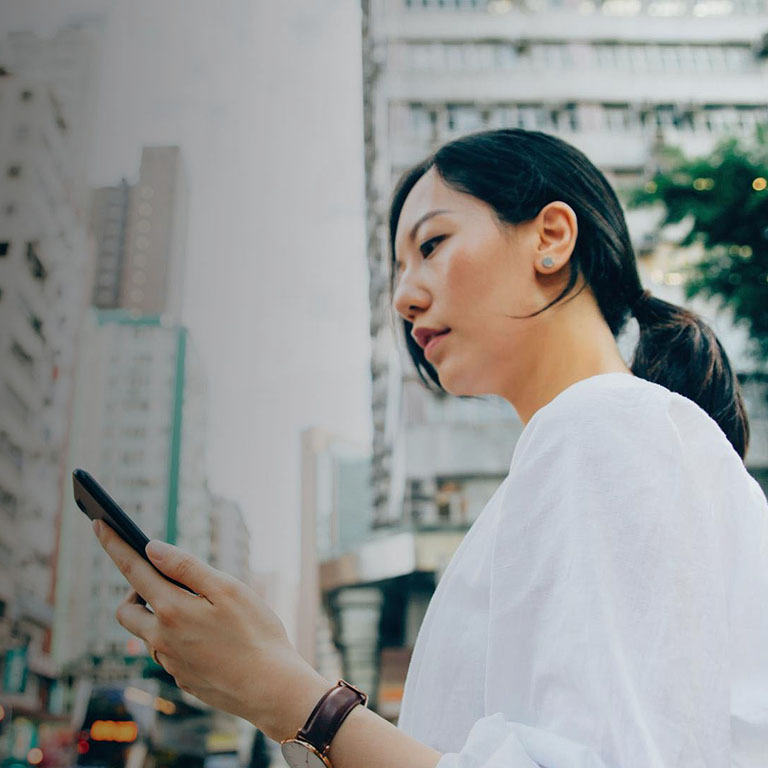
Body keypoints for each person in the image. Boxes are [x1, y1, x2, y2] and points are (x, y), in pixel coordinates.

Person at [92, 128, 768, 768]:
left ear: (552, 237)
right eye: (398, 268)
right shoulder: (586, 447)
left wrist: (290, 695)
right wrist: (275, 692)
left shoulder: (604, 424)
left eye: (433, 243)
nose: (404, 298)